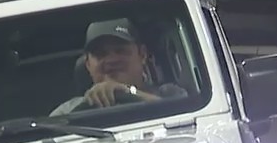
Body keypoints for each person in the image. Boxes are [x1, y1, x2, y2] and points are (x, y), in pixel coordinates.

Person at [50, 18, 187, 117]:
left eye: (120, 51)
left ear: (142, 55)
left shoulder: (169, 94)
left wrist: (127, 92)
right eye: (100, 54)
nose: (111, 60)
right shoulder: (67, 110)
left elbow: (187, 116)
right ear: (88, 65)